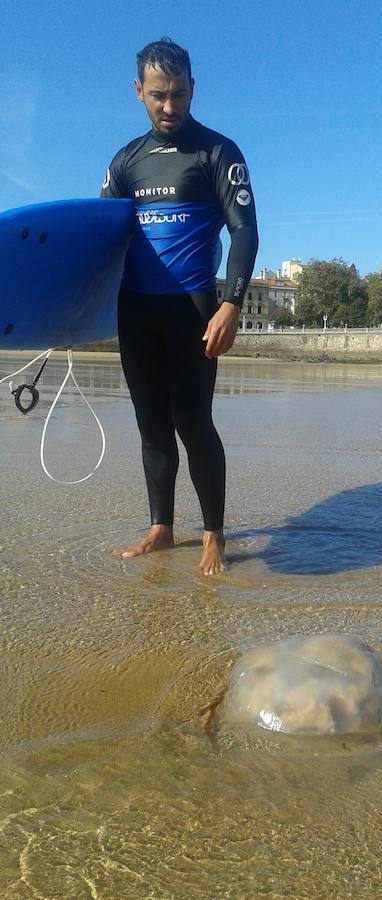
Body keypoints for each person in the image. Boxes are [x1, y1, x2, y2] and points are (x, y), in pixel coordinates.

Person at [101, 37, 258, 574]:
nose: (171, 107)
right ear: (139, 92)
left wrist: (231, 304)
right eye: (159, 95)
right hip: (135, 311)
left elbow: (244, 232)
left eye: (181, 94)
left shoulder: (218, 152)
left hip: (194, 309)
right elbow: (102, 242)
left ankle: (213, 534)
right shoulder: (126, 161)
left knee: (193, 421)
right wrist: (70, 312)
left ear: (194, 89)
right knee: (151, 425)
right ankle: (160, 529)